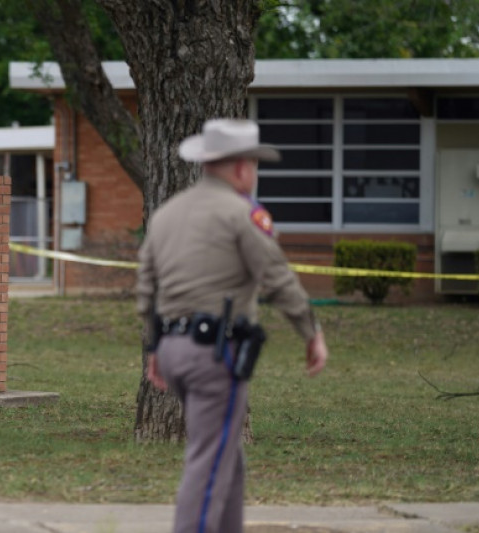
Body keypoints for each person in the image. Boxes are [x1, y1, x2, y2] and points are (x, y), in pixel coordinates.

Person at [135, 119, 329, 533]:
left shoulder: (167, 213)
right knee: (208, 463)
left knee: (226, 458)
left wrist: (154, 348)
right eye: (254, 164)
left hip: (173, 349)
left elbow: (146, 287)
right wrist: (311, 332)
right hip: (214, 354)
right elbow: (276, 278)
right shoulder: (242, 214)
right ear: (242, 167)